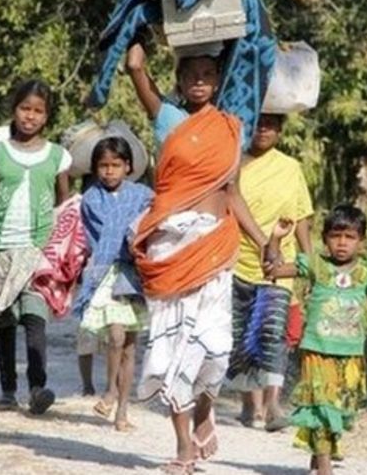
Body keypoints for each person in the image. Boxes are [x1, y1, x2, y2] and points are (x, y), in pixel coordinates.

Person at [125, 40, 268, 474]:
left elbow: (233, 194)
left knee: (215, 351)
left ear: (218, 80)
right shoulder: (167, 118)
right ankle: (184, 447)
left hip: (214, 247)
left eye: (209, 74)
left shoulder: (231, 127)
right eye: (192, 74)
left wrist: (264, 243)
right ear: (180, 80)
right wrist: (141, 9)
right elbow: (134, 65)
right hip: (172, 246)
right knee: (174, 351)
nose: (200, 81)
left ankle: (206, 411)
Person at [264, 205, 367, 475]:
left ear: (361, 242)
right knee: (321, 406)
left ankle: (318, 455)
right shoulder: (315, 266)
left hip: (350, 355)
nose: (342, 243)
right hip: (317, 350)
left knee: (340, 409)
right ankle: (325, 468)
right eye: (336, 236)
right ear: (325, 239)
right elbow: (272, 270)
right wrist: (276, 238)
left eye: (350, 237)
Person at [0, 79, 71, 415]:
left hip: (38, 253)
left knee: (35, 320)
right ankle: (8, 390)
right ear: (14, 110)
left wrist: (64, 255)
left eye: (38, 111)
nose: (30, 116)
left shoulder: (58, 156)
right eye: (25, 108)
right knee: (6, 323)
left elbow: (64, 208)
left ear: (47, 115)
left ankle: (38, 388)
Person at [227, 112, 314, 432]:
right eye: (258, 122)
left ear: (280, 129)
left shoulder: (291, 168)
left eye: (271, 123)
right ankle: (250, 403)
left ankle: (275, 404)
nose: (263, 129)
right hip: (238, 260)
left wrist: (308, 260)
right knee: (242, 336)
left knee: (273, 333)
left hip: (280, 265)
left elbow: (302, 215)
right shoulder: (234, 165)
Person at [74, 136, 153, 431]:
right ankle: (108, 389)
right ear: (95, 169)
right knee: (116, 337)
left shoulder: (144, 195)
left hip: (133, 276)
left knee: (131, 347)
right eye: (103, 166)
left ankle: (122, 411)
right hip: (105, 273)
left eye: (115, 165)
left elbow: (151, 223)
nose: (109, 171)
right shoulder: (92, 199)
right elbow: (100, 235)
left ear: (128, 166)